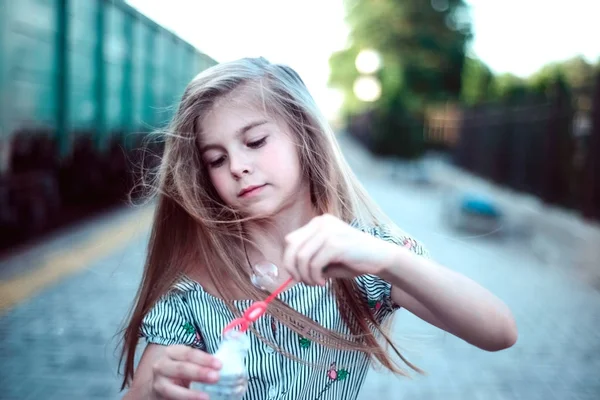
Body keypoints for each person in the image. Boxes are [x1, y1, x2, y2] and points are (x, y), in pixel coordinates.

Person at [118, 57, 517, 400]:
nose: (237, 165)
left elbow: (498, 331)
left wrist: (390, 261)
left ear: (303, 133)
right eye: (217, 159)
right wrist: (154, 387)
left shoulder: (364, 259)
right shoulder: (196, 289)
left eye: (255, 141)